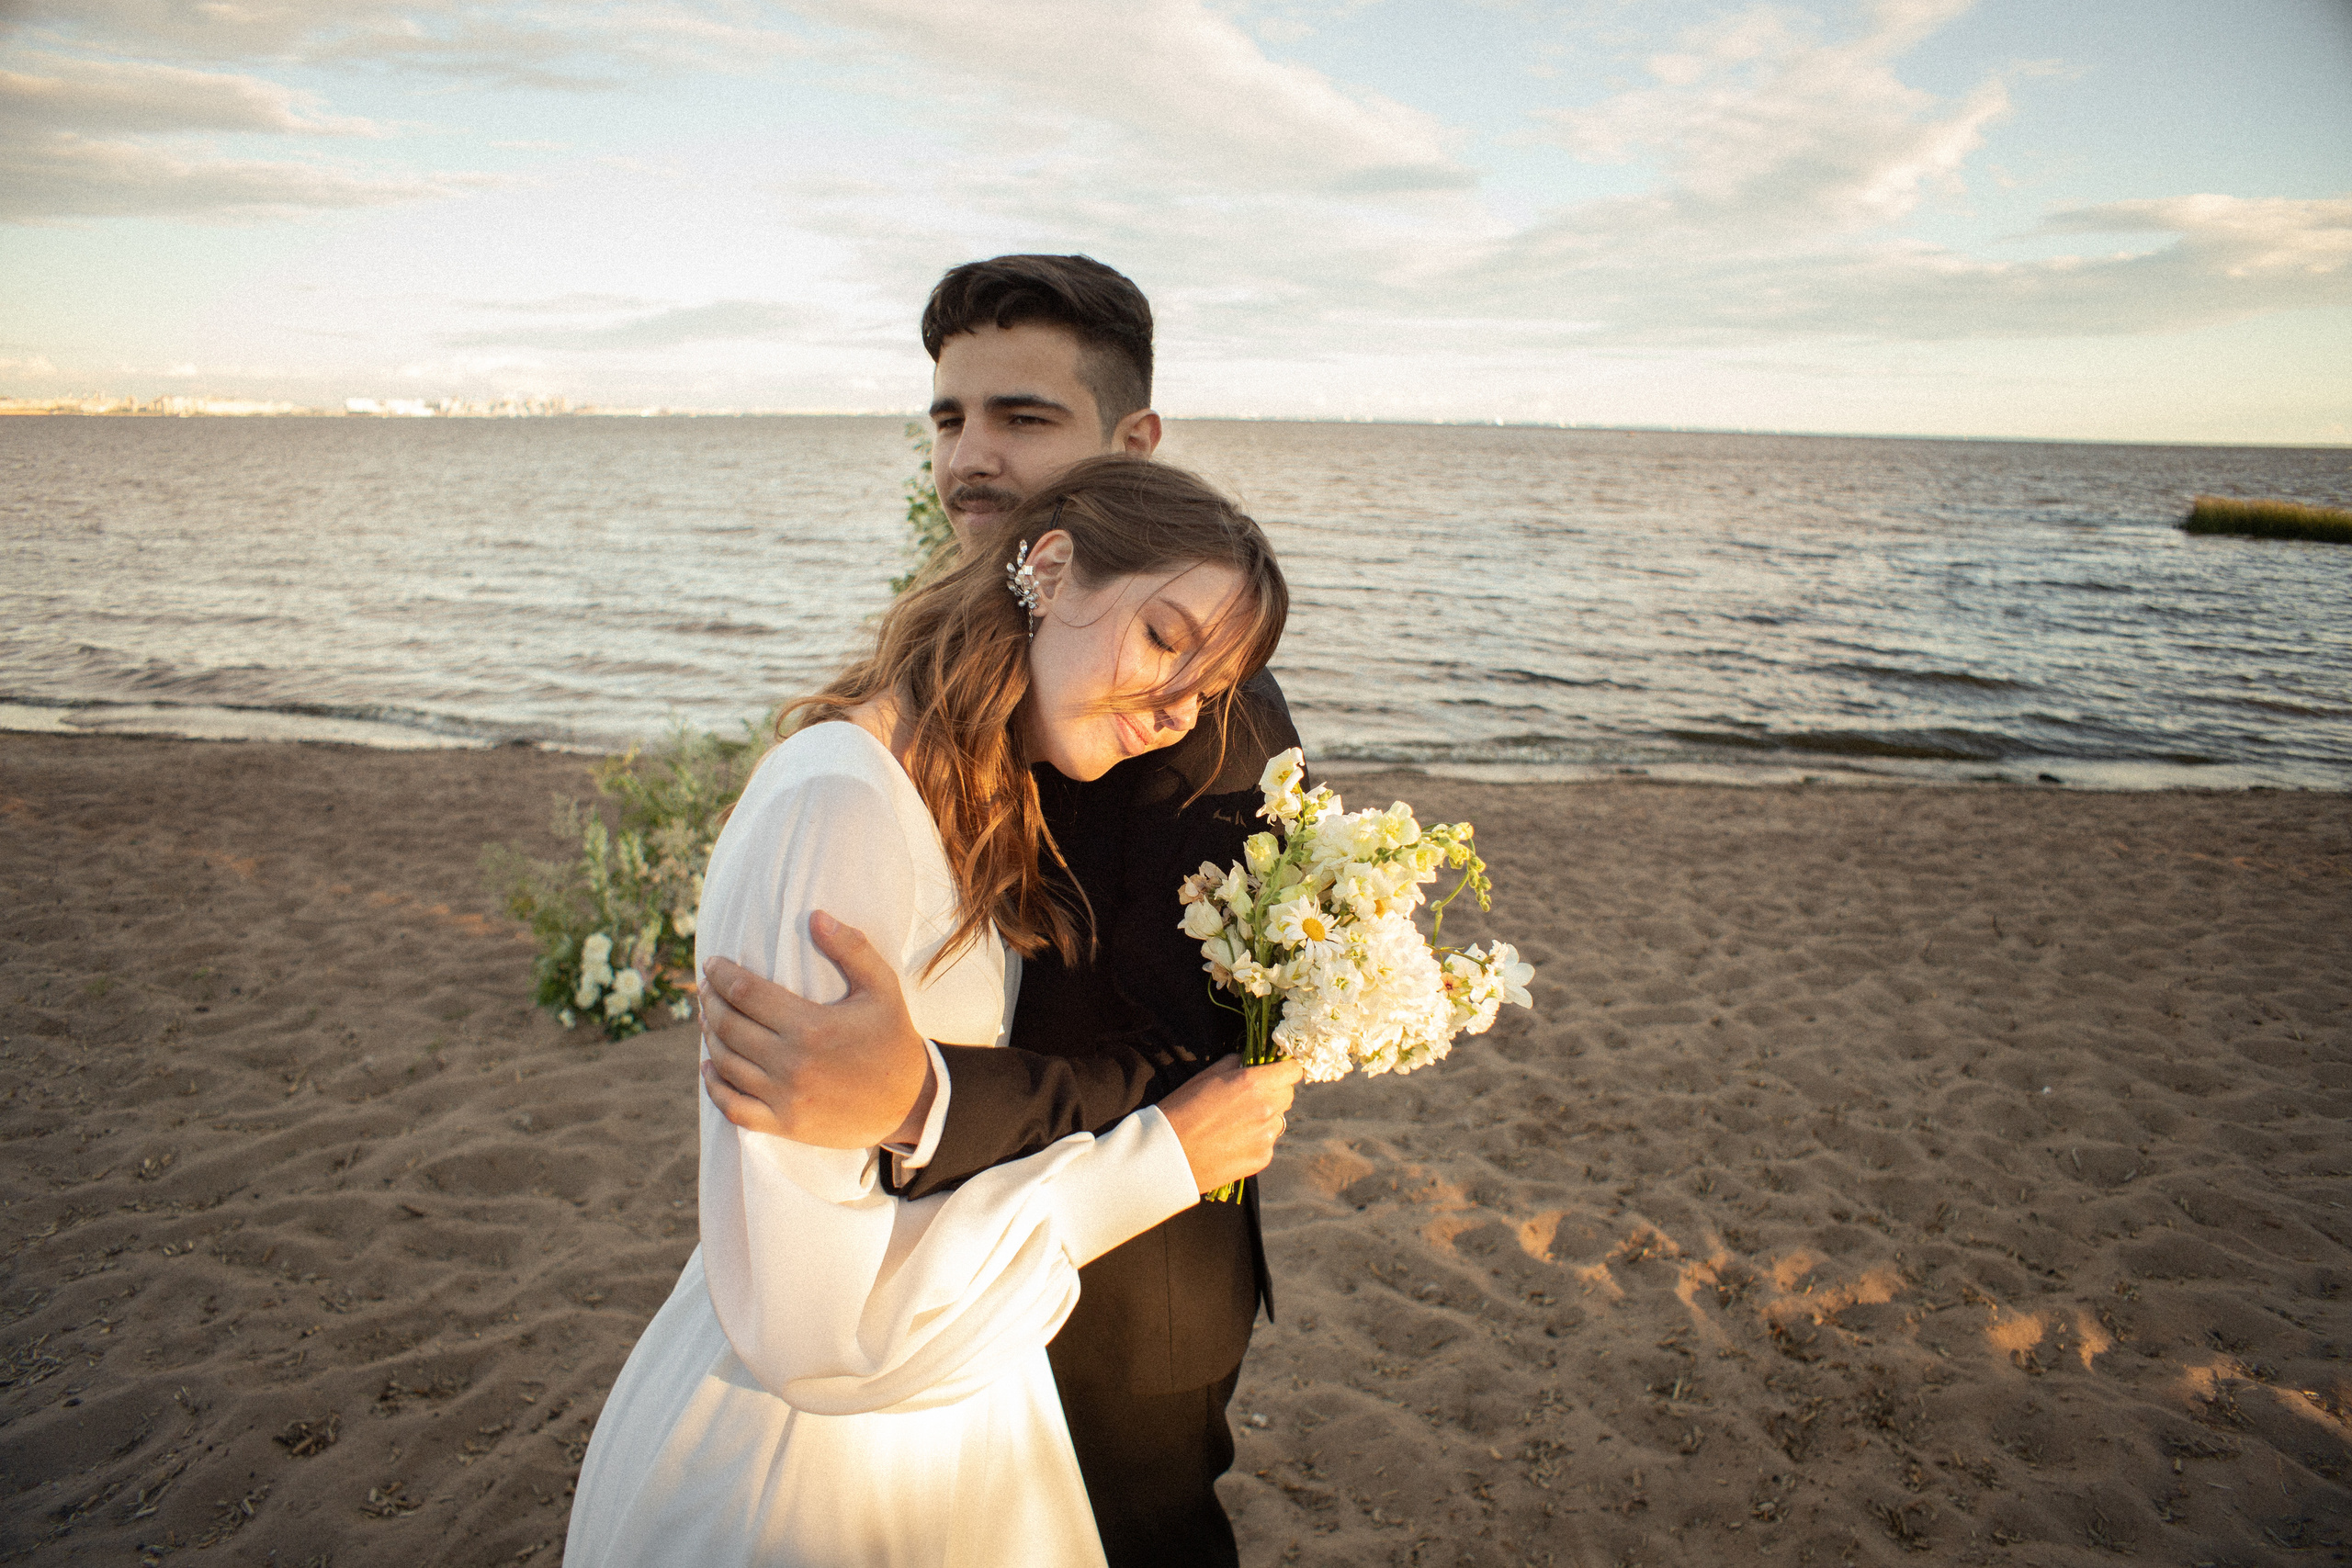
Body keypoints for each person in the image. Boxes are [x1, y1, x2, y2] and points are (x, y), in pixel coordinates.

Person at [565, 457, 1300, 1567]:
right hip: (818, 1472)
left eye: (1208, 690)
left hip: (951, 1411)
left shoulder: (959, 791)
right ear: (1051, 569)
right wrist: (1160, 1160)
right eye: (1164, 640)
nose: (1175, 712)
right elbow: (819, 1327)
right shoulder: (839, 806)